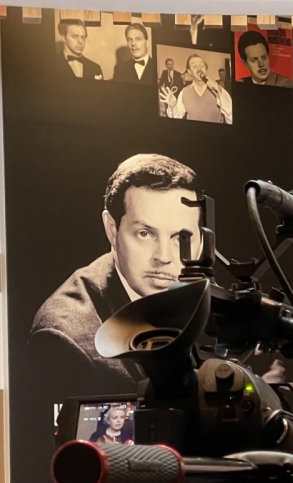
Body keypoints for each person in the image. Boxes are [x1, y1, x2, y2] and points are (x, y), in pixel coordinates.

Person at [28, 153, 202, 385]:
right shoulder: (64, 339)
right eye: (144, 234)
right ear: (112, 230)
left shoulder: (216, 306)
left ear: (202, 241)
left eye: (181, 237)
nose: (164, 257)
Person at [161, 54, 233, 124]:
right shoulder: (184, 92)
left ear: (205, 69)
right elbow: (177, 117)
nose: (199, 69)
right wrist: (173, 106)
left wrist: (219, 91)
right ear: (189, 72)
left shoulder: (218, 89)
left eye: (202, 65)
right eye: (194, 66)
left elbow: (231, 118)